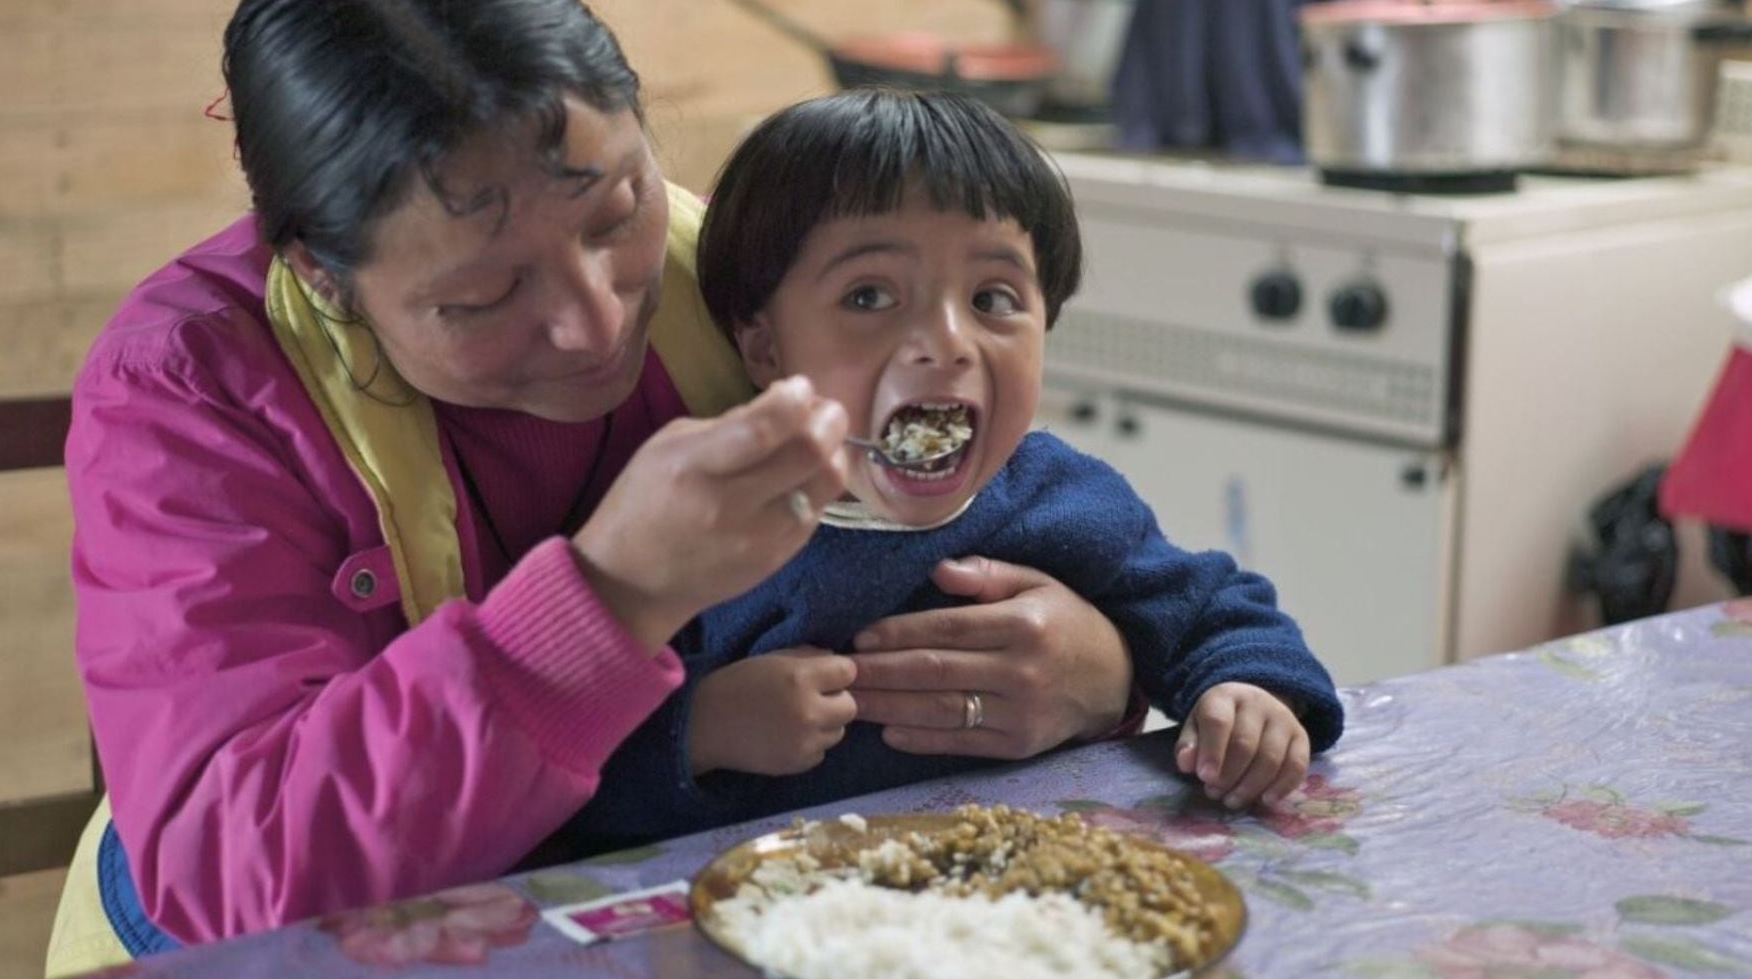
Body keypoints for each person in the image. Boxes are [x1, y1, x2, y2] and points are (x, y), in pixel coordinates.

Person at [43, 0, 1142, 977]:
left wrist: (1102, 664)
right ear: (325, 275)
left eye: (615, 214)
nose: (597, 320)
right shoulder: (192, 385)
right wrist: (610, 597)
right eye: (484, 295)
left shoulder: (735, 277)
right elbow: (234, 876)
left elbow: (968, 507)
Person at [563, 89, 1345, 854]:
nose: (947, 341)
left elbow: (1218, 616)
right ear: (764, 348)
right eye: (869, 295)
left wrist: (1249, 695)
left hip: (1025, 896)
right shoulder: (707, 522)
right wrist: (702, 728)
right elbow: (572, 766)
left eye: (992, 297)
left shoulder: (1065, 498)